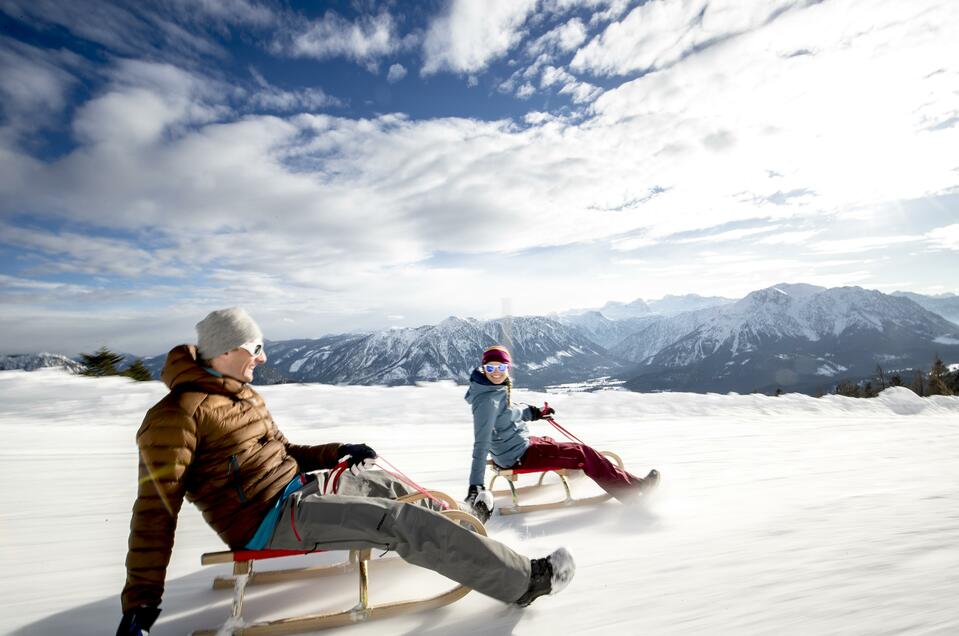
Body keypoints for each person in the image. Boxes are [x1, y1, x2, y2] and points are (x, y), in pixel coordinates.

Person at [117, 308, 575, 635]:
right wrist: (141, 601)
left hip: (296, 488)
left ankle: (454, 533)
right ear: (227, 349)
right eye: (256, 348)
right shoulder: (176, 416)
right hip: (264, 520)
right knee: (400, 521)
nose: (262, 358)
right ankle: (522, 582)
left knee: (383, 481)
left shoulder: (240, 394)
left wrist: (340, 451)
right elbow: (155, 510)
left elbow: (285, 451)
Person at [464, 345, 659, 521]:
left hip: (517, 446)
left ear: (508, 368)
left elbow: (509, 413)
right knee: (582, 452)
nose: (496, 373)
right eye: (491, 368)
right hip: (517, 456)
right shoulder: (487, 402)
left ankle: (631, 481)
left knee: (551, 441)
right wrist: (476, 486)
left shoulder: (492, 389)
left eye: (501, 368)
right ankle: (632, 493)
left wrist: (536, 412)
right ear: (484, 369)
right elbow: (481, 444)